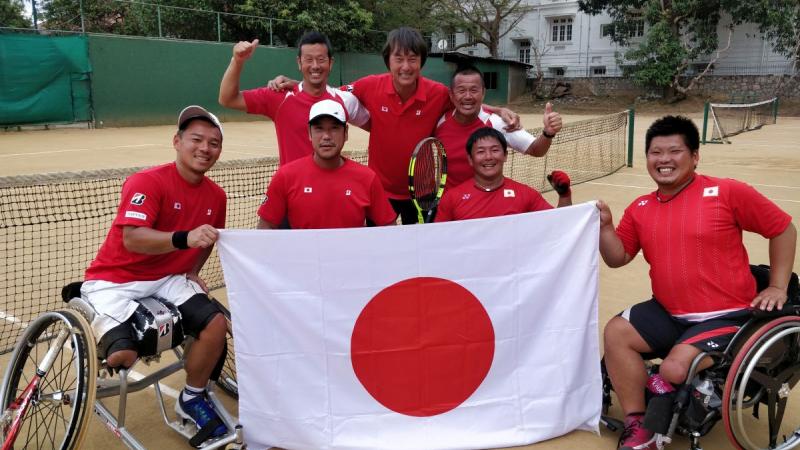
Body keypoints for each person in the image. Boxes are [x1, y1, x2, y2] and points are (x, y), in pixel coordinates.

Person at [596, 115, 796, 450]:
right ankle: (638, 423)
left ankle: (664, 398)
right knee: (616, 333)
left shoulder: (727, 192)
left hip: (729, 315)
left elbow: (782, 229)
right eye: (655, 152)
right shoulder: (640, 207)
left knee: (674, 367)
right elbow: (618, 257)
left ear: (695, 156)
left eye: (674, 151)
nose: (664, 160)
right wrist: (605, 227)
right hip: (669, 312)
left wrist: (778, 286)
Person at [269, 27, 521, 224]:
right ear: (388, 60)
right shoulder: (369, 85)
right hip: (379, 190)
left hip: (422, 193)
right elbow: (332, 93)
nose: (405, 66)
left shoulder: (438, 93)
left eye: (412, 59)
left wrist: (497, 109)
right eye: (398, 58)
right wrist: (300, 84)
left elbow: (465, 102)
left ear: (421, 61)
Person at [81, 105, 229, 439]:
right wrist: (183, 239)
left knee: (217, 324)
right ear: (177, 141)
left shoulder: (216, 196)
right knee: (123, 355)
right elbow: (132, 238)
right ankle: (107, 329)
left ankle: (191, 398)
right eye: (197, 139)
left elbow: (207, 240)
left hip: (168, 280)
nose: (205, 148)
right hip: (114, 282)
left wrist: (192, 270)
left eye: (214, 143)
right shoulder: (147, 181)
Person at [218, 31, 369, 166]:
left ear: (331, 63)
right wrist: (237, 61)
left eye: (321, 59)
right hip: (292, 192)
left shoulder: (346, 100)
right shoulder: (279, 96)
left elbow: (377, 128)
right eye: (309, 59)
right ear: (299, 63)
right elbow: (227, 99)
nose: (315, 66)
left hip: (331, 192)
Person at [257, 99, 397, 229]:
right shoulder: (285, 177)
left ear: (346, 132)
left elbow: (390, 229)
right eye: (319, 128)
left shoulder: (367, 178)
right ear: (309, 133)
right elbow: (265, 228)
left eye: (334, 128)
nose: (326, 136)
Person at [435, 65, 563, 188]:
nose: (468, 96)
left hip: (485, 204)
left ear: (483, 93)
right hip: (448, 205)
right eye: (461, 90)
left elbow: (536, 150)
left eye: (474, 90)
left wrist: (548, 133)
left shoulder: (497, 123)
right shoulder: (439, 121)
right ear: (451, 95)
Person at [435, 127, 572, 222]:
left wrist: (564, 195)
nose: (488, 157)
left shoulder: (526, 195)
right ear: (470, 159)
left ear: (505, 155)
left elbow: (558, 227)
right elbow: (437, 241)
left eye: (495, 150)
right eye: (481, 152)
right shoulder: (452, 198)